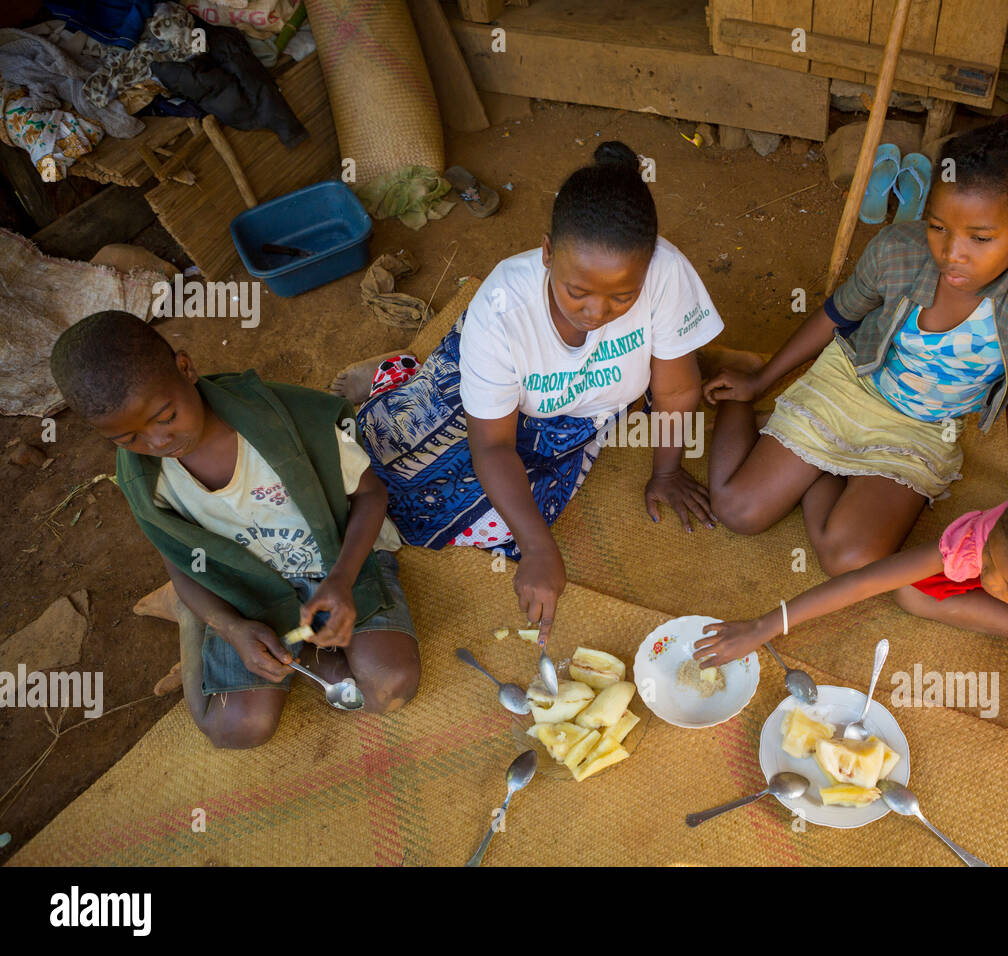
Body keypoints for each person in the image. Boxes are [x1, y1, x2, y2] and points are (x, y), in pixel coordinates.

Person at [349, 142, 724, 643]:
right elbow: (492, 446)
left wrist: (668, 470)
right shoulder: (503, 307)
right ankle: (396, 374)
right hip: (489, 400)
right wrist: (539, 549)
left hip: (574, 414)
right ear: (547, 253)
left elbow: (676, 391)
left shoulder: (664, 271)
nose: (597, 313)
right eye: (578, 292)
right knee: (384, 464)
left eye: (622, 297)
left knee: (489, 523)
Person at [704, 99, 1008, 577]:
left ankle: (820, 467)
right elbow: (839, 314)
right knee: (738, 513)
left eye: (981, 238)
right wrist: (760, 381)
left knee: (850, 560)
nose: (952, 254)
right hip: (854, 384)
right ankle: (753, 403)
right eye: (937, 227)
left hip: (925, 427)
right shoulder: (899, 250)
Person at [50, 311, 420, 749]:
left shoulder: (293, 418)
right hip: (246, 590)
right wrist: (228, 627)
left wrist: (340, 581)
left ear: (185, 369)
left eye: (165, 416)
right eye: (126, 438)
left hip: (337, 558)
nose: (157, 444)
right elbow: (181, 562)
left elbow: (371, 496)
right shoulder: (143, 481)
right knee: (235, 729)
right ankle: (193, 618)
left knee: (389, 687)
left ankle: (315, 652)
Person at [697, 466, 1008, 742]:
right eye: (989, 562)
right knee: (910, 592)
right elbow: (866, 581)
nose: (989, 582)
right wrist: (766, 624)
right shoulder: (988, 536)